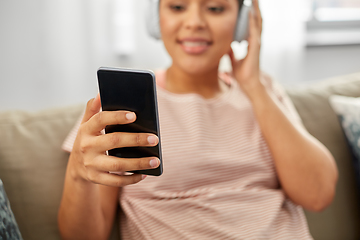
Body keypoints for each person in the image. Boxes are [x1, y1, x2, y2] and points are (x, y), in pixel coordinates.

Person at [58, 0, 338, 239]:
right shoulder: (124, 105)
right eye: (177, 6)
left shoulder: (263, 91)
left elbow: (318, 194)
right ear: (156, 17)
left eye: (215, 8)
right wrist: (77, 173)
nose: (194, 22)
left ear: (243, 22)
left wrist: (253, 85)